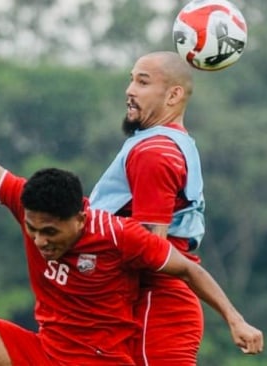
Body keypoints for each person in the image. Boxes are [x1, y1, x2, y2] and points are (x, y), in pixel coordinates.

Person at [0, 72, 263, 365]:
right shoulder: (26, 200)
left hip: (98, 359)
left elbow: (189, 269)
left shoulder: (118, 234)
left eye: (51, 232)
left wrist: (236, 321)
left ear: (81, 219)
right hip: (45, 351)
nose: (40, 241)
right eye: (33, 230)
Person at [89, 50, 211, 364]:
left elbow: (150, 250)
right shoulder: (168, 141)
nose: (129, 90)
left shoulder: (155, 151)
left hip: (154, 303)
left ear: (173, 95)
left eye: (142, 82)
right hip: (159, 300)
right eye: (131, 80)